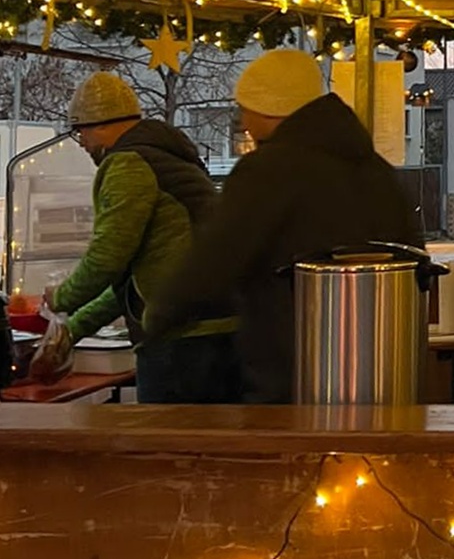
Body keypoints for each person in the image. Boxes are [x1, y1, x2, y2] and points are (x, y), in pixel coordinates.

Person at [149, 48, 422, 403]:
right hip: (384, 370)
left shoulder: (267, 171)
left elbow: (216, 258)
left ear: (269, 108)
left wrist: (163, 313)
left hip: (293, 369)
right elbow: (414, 257)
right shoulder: (378, 171)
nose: (244, 122)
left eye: (245, 109)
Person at [38, 72, 240, 402]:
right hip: (219, 330)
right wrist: (73, 329)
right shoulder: (172, 158)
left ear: (99, 125)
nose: (83, 143)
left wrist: (60, 299)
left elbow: (108, 257)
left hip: (180, 340)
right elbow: (133, 284)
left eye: (80, 132)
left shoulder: (128, 164)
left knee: (161, 435)